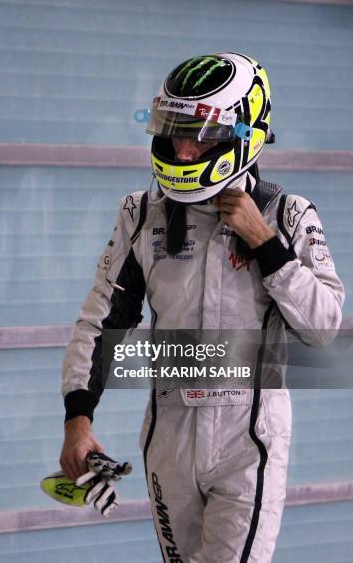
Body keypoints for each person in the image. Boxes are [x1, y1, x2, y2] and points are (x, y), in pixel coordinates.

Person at [59, 52, 344, 562]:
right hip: (167, 439)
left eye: (201, 134)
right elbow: (99, 322)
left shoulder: (288, 213)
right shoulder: (141, 215)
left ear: (245, 134)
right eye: (174, 131)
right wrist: (77, 421)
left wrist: (265, 243)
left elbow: (324, 326)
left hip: (249, 443)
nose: (185, 149)